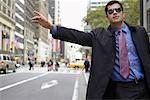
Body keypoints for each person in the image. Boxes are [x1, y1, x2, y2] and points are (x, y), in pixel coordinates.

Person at [32, 0, 150, 99]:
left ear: (123, 14)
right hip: (118, 90)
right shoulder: (100, 36)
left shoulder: (139, 32)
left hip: (142, 88)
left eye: (118, 10)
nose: (114, 12)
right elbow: (77, 36)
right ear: (107, 17)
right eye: (110, 11)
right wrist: (51, 27)